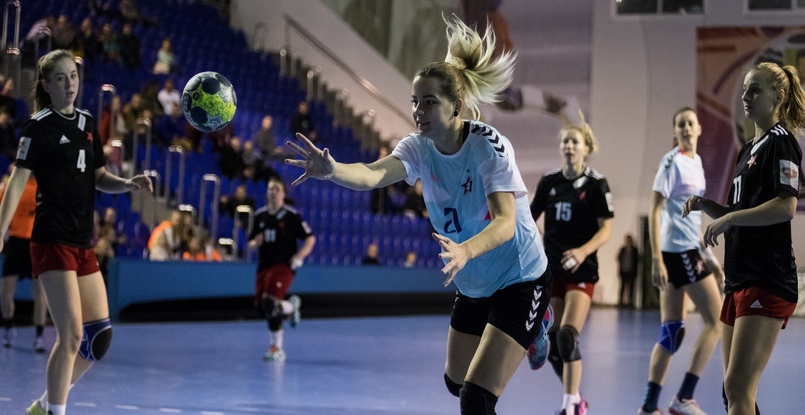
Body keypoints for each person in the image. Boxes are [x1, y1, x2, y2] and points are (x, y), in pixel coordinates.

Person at [285, 15, 553, 414]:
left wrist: (464, 252)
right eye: (415, 101)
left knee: (476, 398)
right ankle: (528, 332)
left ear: (456, 106)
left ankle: (536, 321)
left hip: (519, 276)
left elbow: (506, 222)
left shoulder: (488, 147)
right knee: (455, 382)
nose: (418, 111)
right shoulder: (418, 146)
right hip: (475, 282)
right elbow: (375, 173)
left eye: (429, 102)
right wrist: (333, 170)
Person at [0, 49, 151, 415]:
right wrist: (0, 230)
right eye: (61, 79)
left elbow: (99, 177)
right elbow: (18, 180)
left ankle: (42, 405)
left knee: (98, 338)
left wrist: (128, 183)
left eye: (73, 76)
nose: (70, 84)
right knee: (70, 337)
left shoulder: (85, 123)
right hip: (52, 239)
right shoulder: (38, 126)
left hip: (82, 242)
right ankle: (56, 410)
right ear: (47, 86)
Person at [682, 62, 805, 415]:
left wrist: (732, 217)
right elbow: (741, 215)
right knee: (733, 391)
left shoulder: (782, 143)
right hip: (739, 277)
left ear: (778, 96)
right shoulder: (748, 148)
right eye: (746, 88)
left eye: (756, 90)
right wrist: (711, 207)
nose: (746, 96)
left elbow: (785, 207)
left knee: (738, 386)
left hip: (766, 277)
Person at [638, 107, 723, 415]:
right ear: (675, 131)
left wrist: (709, 255)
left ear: (699, 128)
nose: (686, 128)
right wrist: (656, 259)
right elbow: (656, 209)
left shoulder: (697, 162)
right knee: (717, 322)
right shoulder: (671, 162)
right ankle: (683, 397)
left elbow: (693, 218)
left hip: (690, 250)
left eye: (690, 123)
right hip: (677, 252)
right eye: (680, 125)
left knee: (672, 330)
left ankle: (649, 406)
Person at [530, 112, 613, 415]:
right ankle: (577, 398)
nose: (568, 145)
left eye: (574, 141)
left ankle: (570, 406)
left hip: (582, 271)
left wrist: (582, 251)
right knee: (552, 344)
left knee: (567, 335)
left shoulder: (595, 184)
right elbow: (529, 218)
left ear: (586, 148)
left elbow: (606, 229)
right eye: (565, 140)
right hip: (551, 272)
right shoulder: (549, 181)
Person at [248, 177, 315, 362]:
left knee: (270, 303)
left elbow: (310, 238)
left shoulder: (291, 216)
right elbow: (251, 241)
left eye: (277, 189)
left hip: (283, 265)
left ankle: (276, 349)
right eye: (270, 189)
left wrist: (299, 257)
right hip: (264, 265)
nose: (273, 192)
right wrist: (256, 242)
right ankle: (292, 307)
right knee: (261, 308)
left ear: (283, 194)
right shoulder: (259, 216)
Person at [1, 174, 48, 353]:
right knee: (5, 293)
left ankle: (39, 336)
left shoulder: (44, 185)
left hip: (36, 243)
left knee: (40, 293)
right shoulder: (12, 185)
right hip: (15, 243)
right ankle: (8, 327)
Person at [616, 234, 639, 307]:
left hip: (632, 271)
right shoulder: (623, 249)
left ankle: (630, 302)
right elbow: (619, 258)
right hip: (623, 271)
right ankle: (620, 301)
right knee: (622, 287)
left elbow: (638, 259)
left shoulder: (635, 250)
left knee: (631, 287)